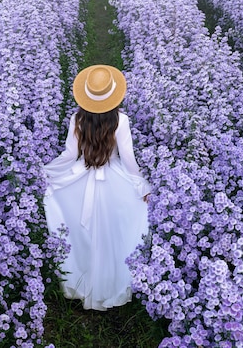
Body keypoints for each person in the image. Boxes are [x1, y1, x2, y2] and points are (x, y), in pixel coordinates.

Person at [43, 64, 151, 311]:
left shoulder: (77, 118)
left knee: (82, 234)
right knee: (116, 233)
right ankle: (111, 282)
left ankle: (85, 278)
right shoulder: (121, 120)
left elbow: (70, 155)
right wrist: (142, 185)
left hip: (82, 177)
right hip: (114, 179)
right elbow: (128, 159)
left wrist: (47, 171)